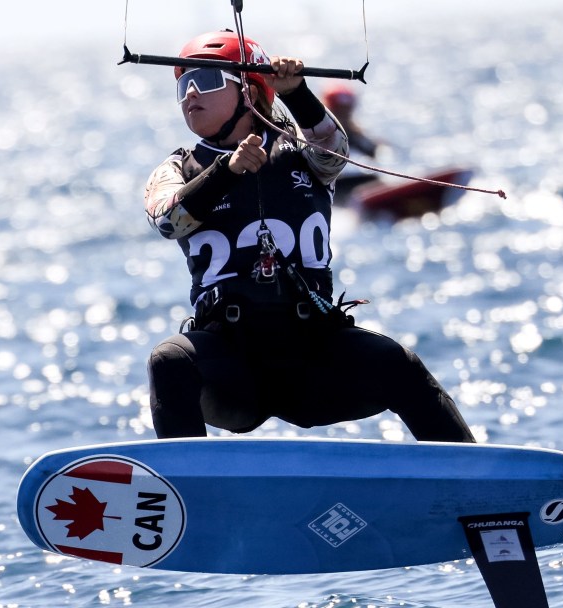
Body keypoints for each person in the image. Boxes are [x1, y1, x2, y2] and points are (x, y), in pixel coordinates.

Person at [143, 30, 475, 443]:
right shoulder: (177, 167)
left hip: (313, 355)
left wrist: (297, 92)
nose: (191, 93)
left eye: (207, 81)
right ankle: (187, 491)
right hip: (232, 366)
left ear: (248, 88)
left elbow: (334, 147)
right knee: (168, 361)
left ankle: (476, 484)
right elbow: (167, 219)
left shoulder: (302, 151)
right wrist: (226, 172)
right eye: (183, 84)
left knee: (399, 363)